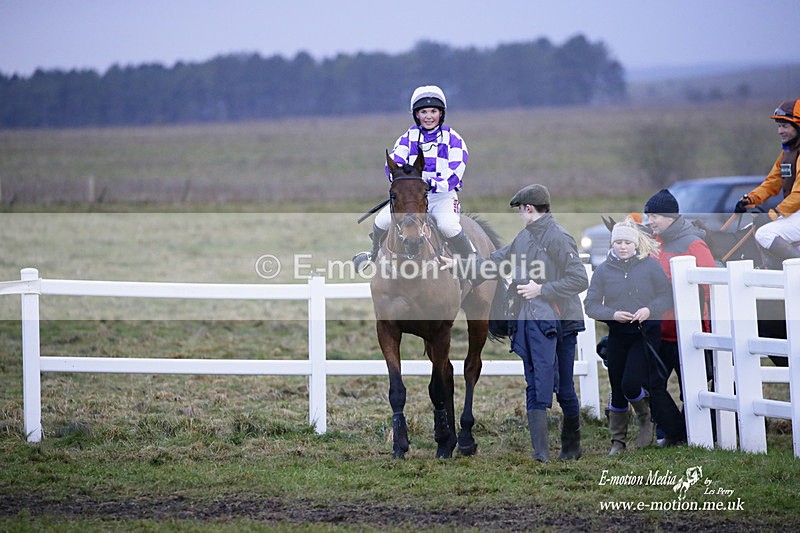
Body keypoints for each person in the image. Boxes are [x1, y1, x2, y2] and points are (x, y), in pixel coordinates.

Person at [439, 184, 588, 462]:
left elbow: (580, 280)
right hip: (530, 322)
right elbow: (494, 263)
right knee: (534, 382)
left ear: (529, 209)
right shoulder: (524, 238)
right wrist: (458, 267)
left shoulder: (560, 238)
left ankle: (571, 446)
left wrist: (542, 289)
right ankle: (540, 453)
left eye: (520, 209)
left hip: (562, 324)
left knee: (564, 387)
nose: (520, 214)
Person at [354, 85, 472, 271]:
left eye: (433, 111)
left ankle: (472, 262)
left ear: (441, 113)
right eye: (423, 111)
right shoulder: (408, 137)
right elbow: (392, 164)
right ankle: (373, 255)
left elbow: (455, 176)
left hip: (441, 196)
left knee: (448, 226)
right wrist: (407, 183)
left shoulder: (453, 139)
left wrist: (428, 184)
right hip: (412, 198)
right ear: (416, 115)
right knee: (381, 221)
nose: (428, 116)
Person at [583, 218, 673, 455]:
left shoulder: (650, 266)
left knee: (630, 384)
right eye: (618, 242)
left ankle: (645, 416)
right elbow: (590, 305)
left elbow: (666, 296)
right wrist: (612, 314)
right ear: (612, 244)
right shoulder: (603, 270)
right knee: (616, 388)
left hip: (645, 336)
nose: (622, 246)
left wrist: (648, 310)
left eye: (627, 242)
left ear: (636, 245)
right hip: (618, 335)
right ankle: (618, 442)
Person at [644, 187, 716, 445]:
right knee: (651, 385)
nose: (649, 221)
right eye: (648, 216)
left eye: (654, 216)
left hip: (688, 333)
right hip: (659, 332)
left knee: (693, 388)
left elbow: (709, 286)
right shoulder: (654, 245)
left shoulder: (693, 244)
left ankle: (692, 435)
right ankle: (675, 432)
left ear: (670, 217)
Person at [734, 98, 800, 266]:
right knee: (754, 229)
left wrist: (773, 214)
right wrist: (750, 199)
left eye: (785, 126)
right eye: (779, 126)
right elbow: (772, 182)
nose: (780, 131)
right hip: (795, 214)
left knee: (765, 234)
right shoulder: (787, 153)